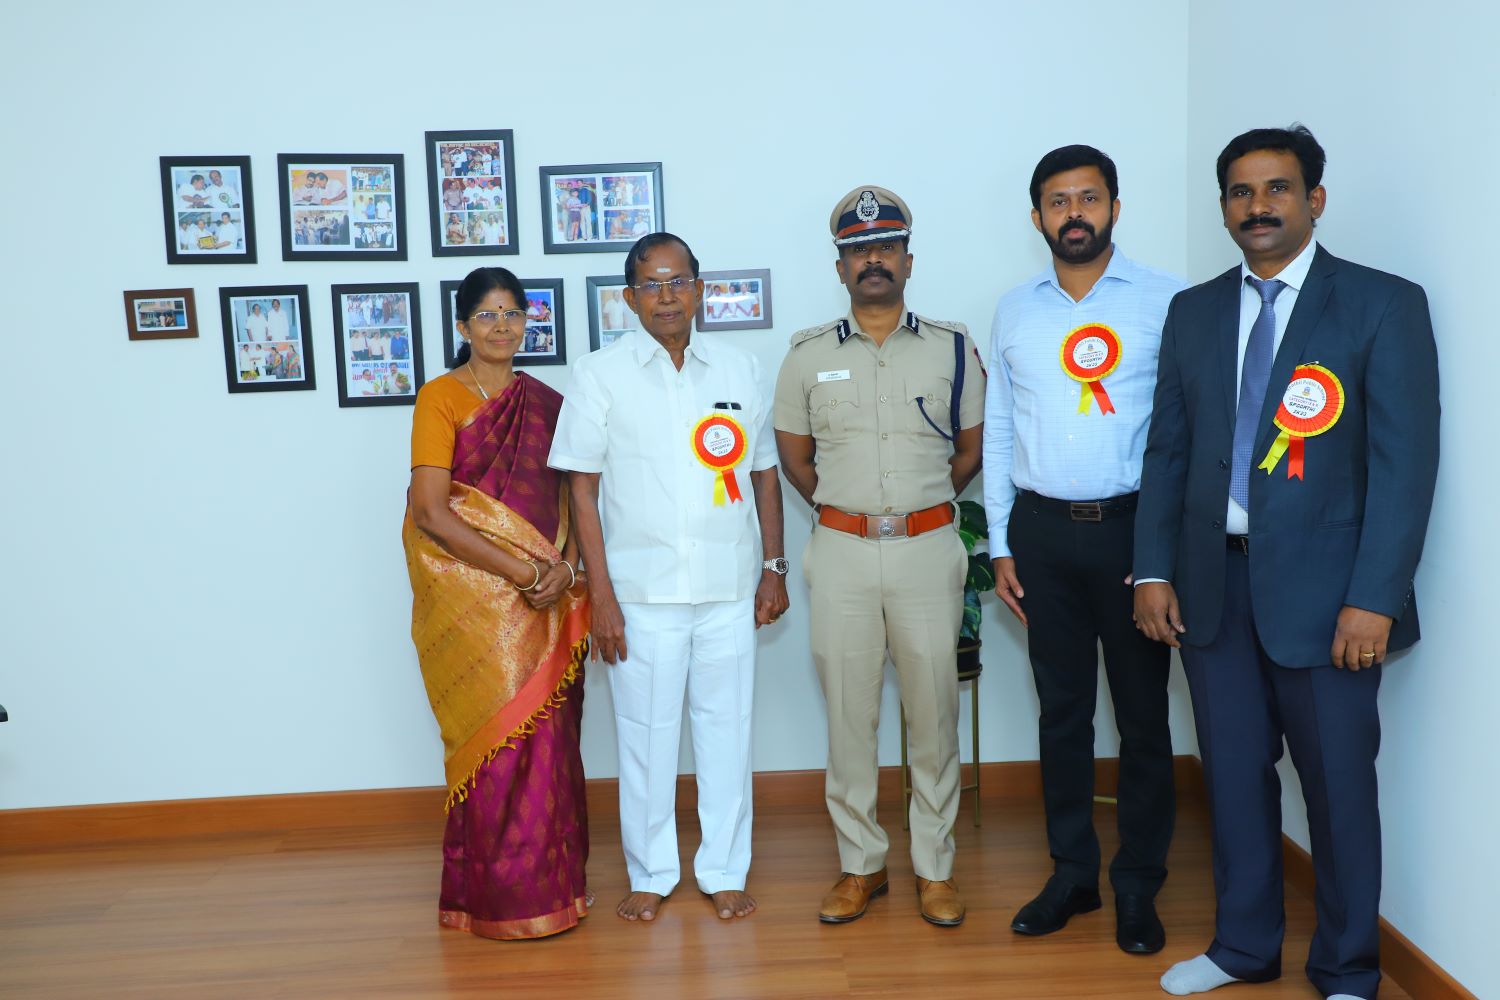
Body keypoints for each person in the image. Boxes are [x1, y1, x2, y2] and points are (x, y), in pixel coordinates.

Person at [1133, 125, 1440, 1000]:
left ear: (1315, 199)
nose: (1257, 206)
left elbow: (1404, 465)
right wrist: (1152, 570)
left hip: (1332, 598)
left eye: (1276, 188)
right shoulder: (1193, 311)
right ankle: (1243, 947)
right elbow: (1168, 452)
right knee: (1232, 780)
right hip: (1211, 589)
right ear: (1223, 207)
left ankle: (1347, 968)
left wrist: (1375, 597)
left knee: (1338, 789)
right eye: (1240, 191)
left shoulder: (1382, 304)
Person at [549, 232, 789, 924]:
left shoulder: (740, 369)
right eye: (651, 285)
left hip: (728, 588)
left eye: (678, 281)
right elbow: (582, 489)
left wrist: (773, 569)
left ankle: (724, 870)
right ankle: (652, 872)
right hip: (641, 596)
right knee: (645, 740)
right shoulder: (598, 374)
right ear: (629, 298)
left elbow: (765, 476)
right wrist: (600, 596)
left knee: (727, 734)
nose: (667, 296)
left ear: (699, 289)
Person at [984, 145, 1185, 954]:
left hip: (1134, 534)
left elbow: (1182, 434)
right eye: (1058, 201)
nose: (1074, 213)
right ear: (1036, 216)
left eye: (1089, 198)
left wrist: (1164, 551)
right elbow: (1001, 429)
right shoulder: (1014, 310)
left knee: (1142, 717)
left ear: (1114, 208)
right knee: (1061, 714)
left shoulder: (1167, 301)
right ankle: (1072, 874)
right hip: (1040, 535)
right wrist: (1001, 542)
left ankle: (1138, 882)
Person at [773, 187, 984, 927]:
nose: (873, 260)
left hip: (927, 550)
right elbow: (795, 460)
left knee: (934, 714)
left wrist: (915, 512)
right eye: (859, 250)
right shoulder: (806, 356)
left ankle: (935, 869)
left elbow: (968, 453)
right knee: (847, 716)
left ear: (908, 261)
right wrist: (852, 514)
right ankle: (860, 865)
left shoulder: (953, 347)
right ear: (840, 268)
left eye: (886, 247)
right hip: (842, 554)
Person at [404, 266, 591, 940]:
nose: (502, 326)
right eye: (487, 314)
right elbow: (431, 511)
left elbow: (575, 497)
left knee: (550, 745)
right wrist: (521, 570)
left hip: (547, 597)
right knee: (496, 748)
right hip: (477, 605)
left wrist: (565, 571)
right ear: (462, 326)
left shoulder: (548, 402)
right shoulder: (441, 398)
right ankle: (494, 901)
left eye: (513, 313)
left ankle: (557, 892)